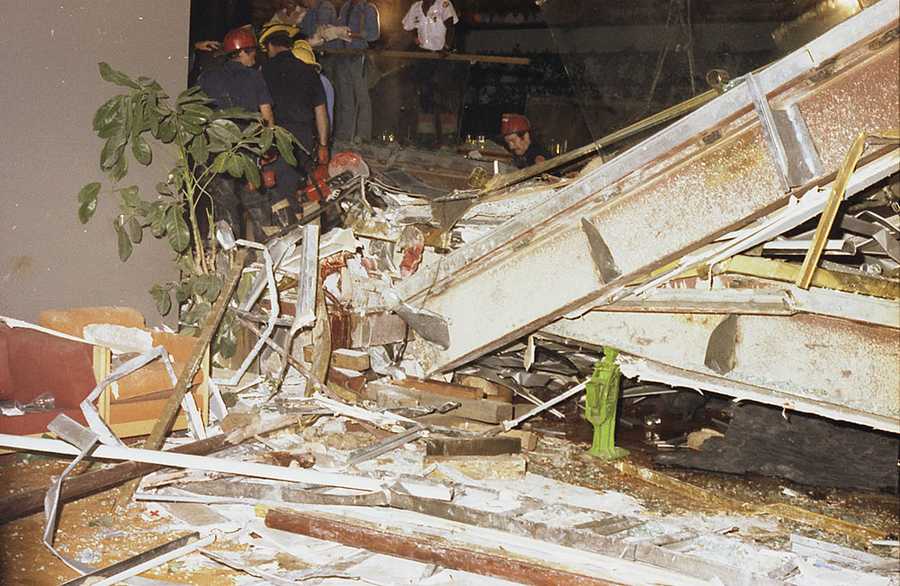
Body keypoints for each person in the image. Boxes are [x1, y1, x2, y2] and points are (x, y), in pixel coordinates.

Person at [198, 27, 275, 239]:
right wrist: (267, 147)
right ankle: (263, 254)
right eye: (252, 53)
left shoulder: (207, 77)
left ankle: (229, 256)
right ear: (242, 52)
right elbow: (267, 115)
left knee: (224, 205)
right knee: (257, 203)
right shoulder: (254, 77)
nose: (254, 58)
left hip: (217, 151)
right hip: (246, 150)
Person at [259, 25, 330, 208]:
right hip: (303, 138)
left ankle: (287, 230)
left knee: (278, 196)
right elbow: (321, 112)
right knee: (301, 190)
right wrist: (323, 145)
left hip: (275, 138)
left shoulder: (263, 72)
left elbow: (260, 110)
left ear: (271, 47)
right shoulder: (309, 71)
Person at [334, 0, 380, 143]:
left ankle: (363, 134)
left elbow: (374, 35)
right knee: (346, 97)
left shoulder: (368, 8)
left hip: (358, 54)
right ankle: (346, 133)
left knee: (362, 96)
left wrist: (352, 34)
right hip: (343, 55)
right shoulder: (346, 7)